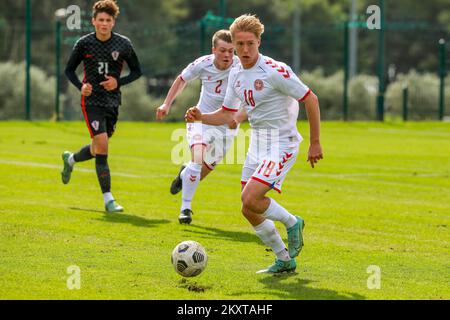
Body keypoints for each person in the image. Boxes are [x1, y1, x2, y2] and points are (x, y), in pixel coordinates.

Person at [186, 14, 323, 274]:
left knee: (251, 197)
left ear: (259, 42)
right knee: (248, 209)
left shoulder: (275, 70)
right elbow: (227, 114)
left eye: (250, 43)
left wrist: (315, 143)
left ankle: (293, 223)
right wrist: (201, 116)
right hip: (257, 142)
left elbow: (311, 99)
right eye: (240, 44)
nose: (245, 50)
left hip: (282, 143)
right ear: (234, 45)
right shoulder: (235, 72)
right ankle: (284, 259)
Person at [156, 30, 247, 224]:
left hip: (227, 125)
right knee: (197, 161)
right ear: (214, 50)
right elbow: (182, 79)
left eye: (231, 51)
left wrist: (238, 117)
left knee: (202, 170)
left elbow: (250, 95)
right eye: (222, 50)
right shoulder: (203, 64)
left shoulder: (241, 66)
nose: (227, 55)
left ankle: (184, 173)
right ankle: (185, 208)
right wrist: (166, 104)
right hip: (200, 119)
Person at [61, 0, 142, 213]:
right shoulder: (84, 44)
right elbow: (69, 70)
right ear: (93, 21)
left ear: (113, 23)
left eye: (108, 20)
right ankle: (109, 200)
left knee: (98, 148)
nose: (104, 24)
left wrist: (118, 82)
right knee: (103, 147)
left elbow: (137, 72)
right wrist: (81, 86)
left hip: (113, 102)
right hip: (91, 102)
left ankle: (71, 159)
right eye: (101, 20)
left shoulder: (124, 44)